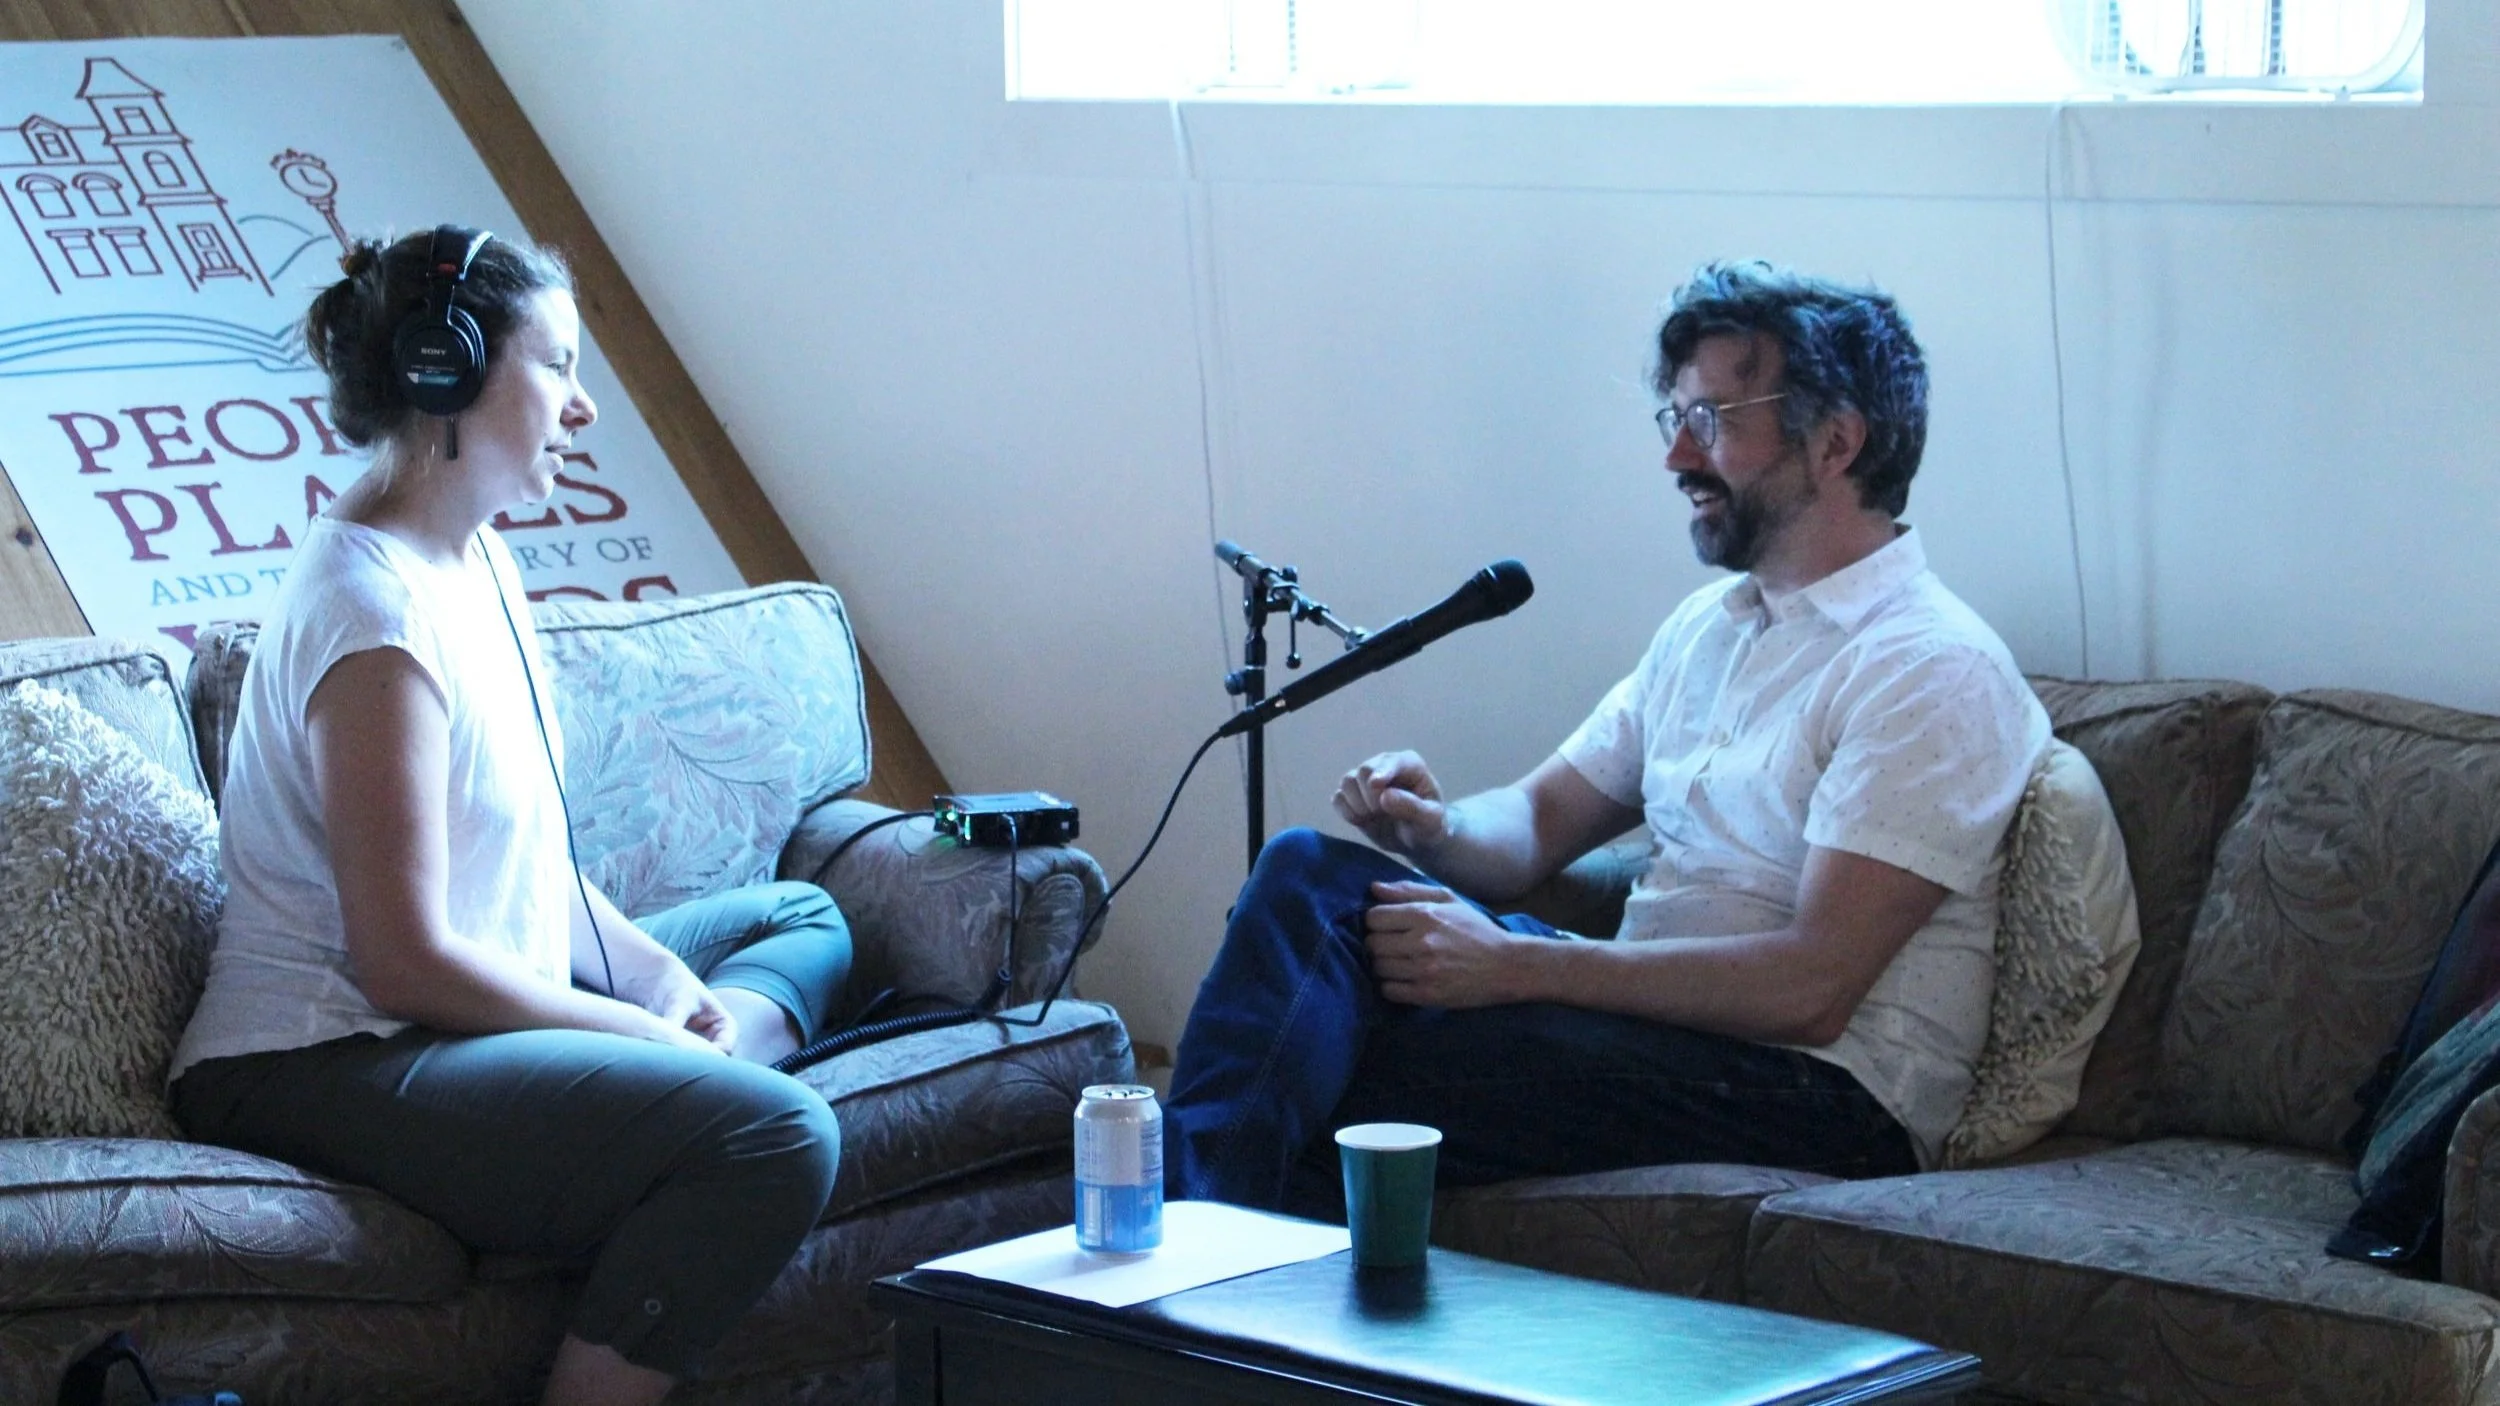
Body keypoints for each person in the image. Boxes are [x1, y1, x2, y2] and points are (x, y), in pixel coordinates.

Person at [1164, 260, 2052, 1213]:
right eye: (1677, 419)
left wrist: (1519, 966)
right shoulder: (1709, 631)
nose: (1679, 458)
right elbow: (1534, 825)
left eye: (1712, 418)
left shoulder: (1929, 666)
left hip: (1818, 1087)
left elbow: (1811, 988)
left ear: (1836, 441)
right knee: (1306, 879)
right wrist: (1437, 828)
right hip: (1646, 1031)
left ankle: (1179, 1249)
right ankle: (1201, 1247)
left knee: (1320, 1061)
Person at [167, 227, 851, 1406]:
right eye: (558, 365)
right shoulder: (371, 617)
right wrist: (636, 1038)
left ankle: (681, 1103)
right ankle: (698, 1123)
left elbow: (523, 859)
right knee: (779, 1138)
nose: (584, 407)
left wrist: (656, 984)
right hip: (323, 1055)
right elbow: (404, 961)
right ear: (446, 374)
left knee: (802, 915)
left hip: (455, 1011)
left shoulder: (476, 561)